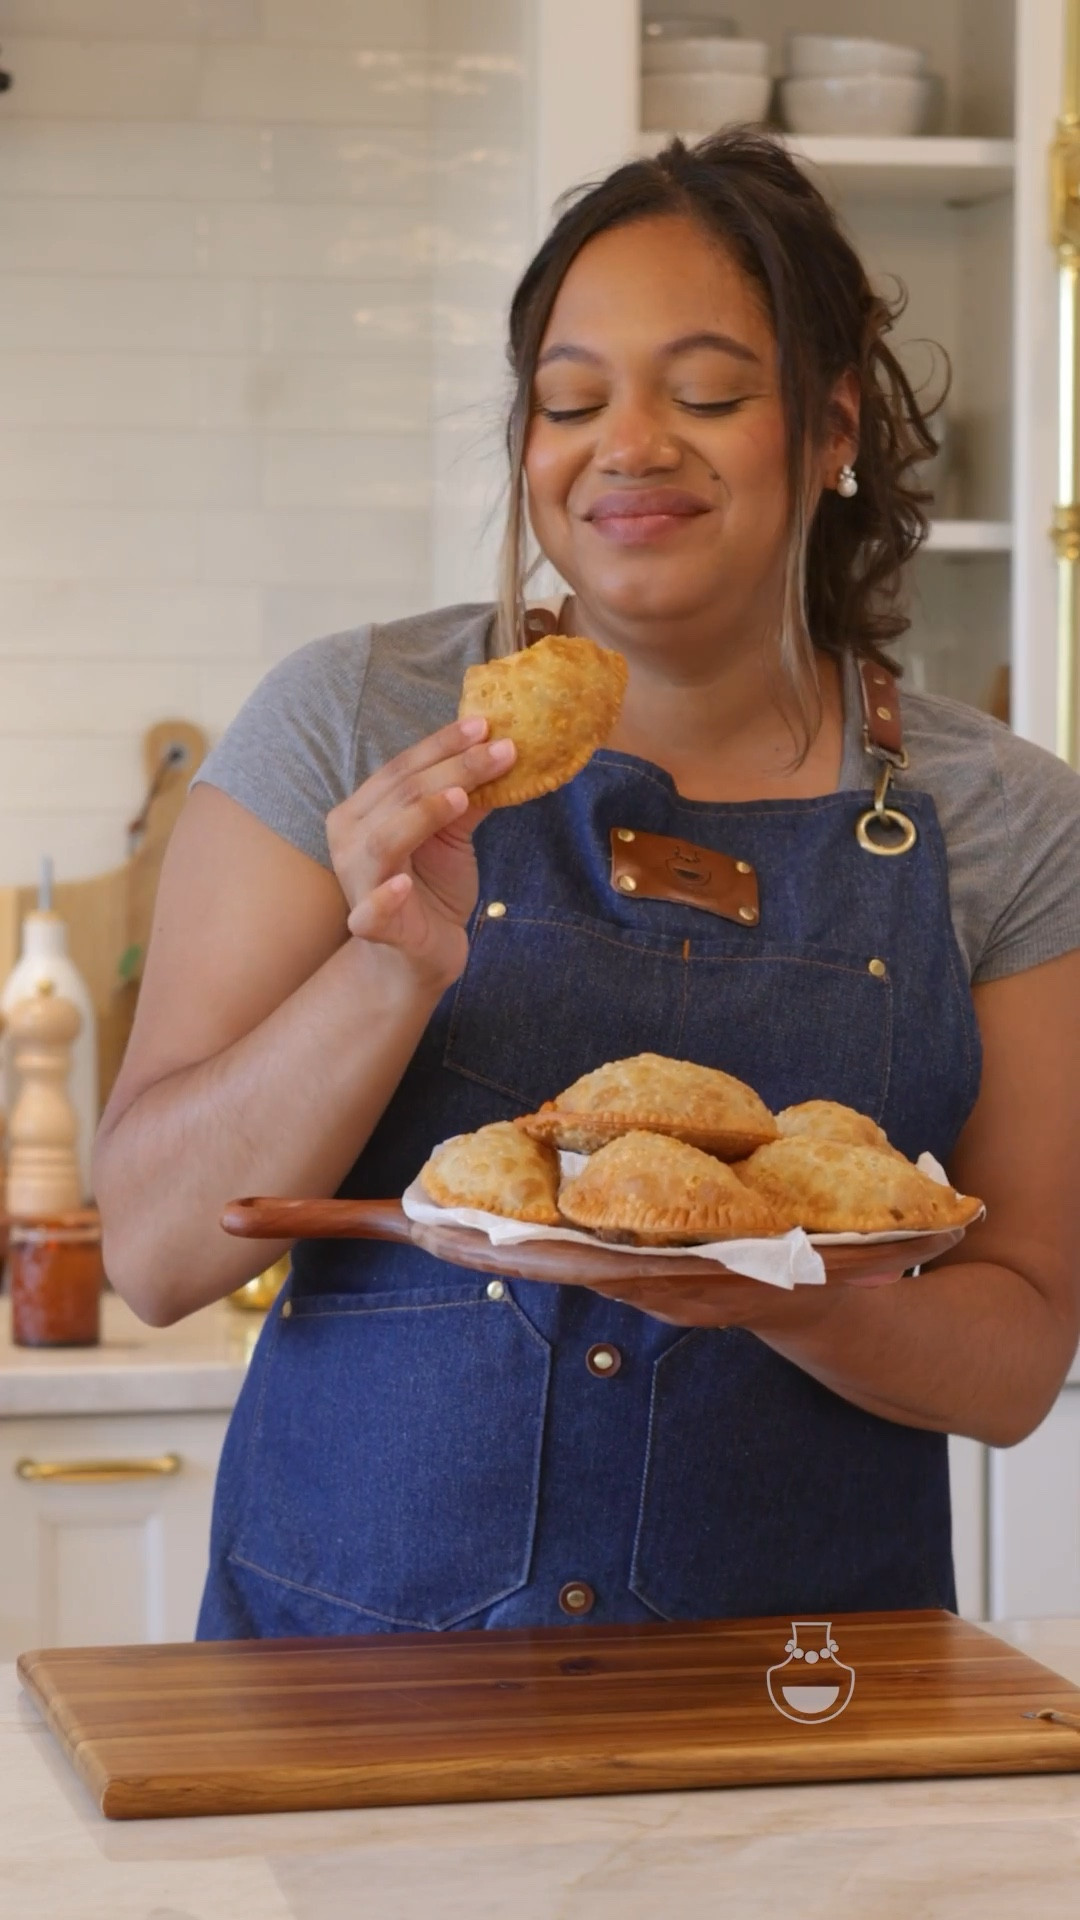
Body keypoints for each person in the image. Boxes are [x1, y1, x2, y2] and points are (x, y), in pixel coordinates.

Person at [95, 132, 1080, 1640]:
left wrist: (785, 1289)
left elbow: (1017, 1364)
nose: (628, 444)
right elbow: (155, 1249)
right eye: (570, 399)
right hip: (346, 1713)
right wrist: (385, 966)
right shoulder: (352, 725)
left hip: (796, 1723)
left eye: (707, 395)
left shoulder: (1003, 818)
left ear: (830, 431)